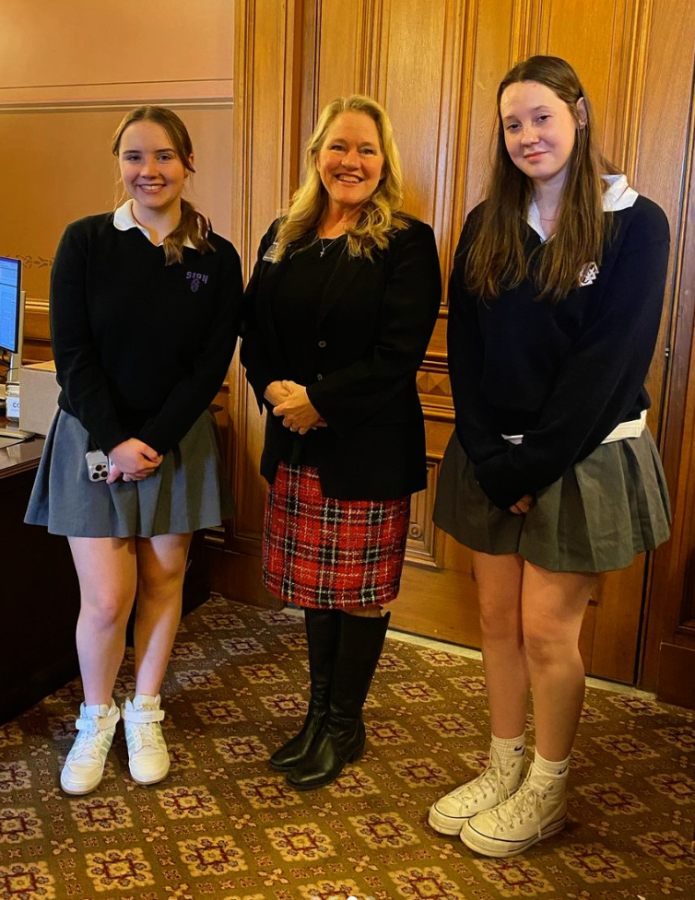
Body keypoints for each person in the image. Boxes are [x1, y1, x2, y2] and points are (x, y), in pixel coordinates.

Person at [429, 56, 671, 856]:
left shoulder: (635, 222)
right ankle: (503, 766)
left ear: (577, 111)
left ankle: (547, 785)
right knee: (495, 622)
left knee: (545, 633)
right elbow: (463, 345)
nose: (527, 135)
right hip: (491, 456)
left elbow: (607, 365)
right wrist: (485, 451)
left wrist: (526, 467)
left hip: (579, 456)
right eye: (512, 124)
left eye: (540, 116)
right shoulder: (484, 224)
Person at [25, 106, 243, 795]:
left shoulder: (217, 254)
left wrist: (152, 439)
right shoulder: (85, 241)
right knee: (106, 599)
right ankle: (97, 717)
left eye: (163, 157)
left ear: (187, 163)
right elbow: (72, 353)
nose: (149, 171)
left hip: (176, 441)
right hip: (93, 438)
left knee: (163, 581)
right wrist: (117, 439)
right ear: (118, 164)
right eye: (133, 157)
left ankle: (144, 709)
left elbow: (211, 363)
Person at [241, 94, 441, 791]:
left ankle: (343, 725)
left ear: (383, 162)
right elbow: (253, 332)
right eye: (338, 146)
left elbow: (397, 353)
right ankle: (317, 715)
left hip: (362, 446)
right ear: (316, 155)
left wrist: (317, 403)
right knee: (315, 592)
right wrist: (275, 393)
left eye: (365, 149)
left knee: (357, 594)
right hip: (294, 443)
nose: (349, 161)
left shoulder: (406, 241)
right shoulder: (283, 234)